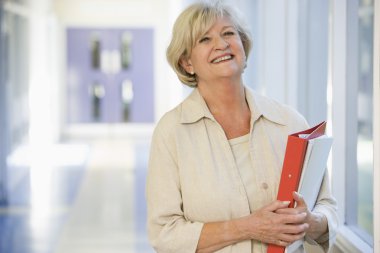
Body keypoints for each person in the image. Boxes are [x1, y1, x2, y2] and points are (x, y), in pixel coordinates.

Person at [146, 1, 338, 253]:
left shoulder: (289, 122)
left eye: (228, 33)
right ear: (187, 63)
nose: (222, 44)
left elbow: (326, 205)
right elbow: (164, 234)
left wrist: (310, 222)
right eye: (205, 39)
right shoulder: (171, 132)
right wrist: (249, 226)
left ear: (243, 46)